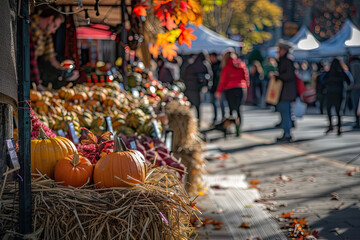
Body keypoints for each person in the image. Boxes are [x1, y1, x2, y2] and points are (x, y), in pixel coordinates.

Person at [30, 7, 78, 89]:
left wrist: (62, 68)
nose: (54, 31)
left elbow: (51, 58)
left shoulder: (46, 35)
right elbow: (31, 57)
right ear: (50, 19)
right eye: (54, 26)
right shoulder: (31, 25)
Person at [215, 48, 249, 137]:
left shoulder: (226, 66)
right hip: (241, 88)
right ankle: (238, 129)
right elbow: (246, 77)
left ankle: (228, 128)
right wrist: (246, 86)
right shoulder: (241, 64)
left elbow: (223, 80)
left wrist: (218, 91)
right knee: (238, 109)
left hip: (230, 89)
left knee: (231, 110)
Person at [274, 40, 297, 143]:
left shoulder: (287, 61)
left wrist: (278, 76)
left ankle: (287, 134)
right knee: (284, 113)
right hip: (284, 92)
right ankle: (286, 133)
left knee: (286, 114)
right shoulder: (285, 60)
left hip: (286, 92)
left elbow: (288, 76)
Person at [322, 58, 352, 136]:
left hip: (330, 93)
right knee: (339, 111)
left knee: (329, 110)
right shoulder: (343, 72)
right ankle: (339, 127)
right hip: (340, 93)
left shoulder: (329, 73)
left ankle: (331, 125)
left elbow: (322, 80)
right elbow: (350, 82)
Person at [183, 52, 212, 126]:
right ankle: (198, 122)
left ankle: (188, 122)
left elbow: (183, 75)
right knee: (198, 107)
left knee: (189, 107)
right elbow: (210, 76)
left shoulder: (190, 64)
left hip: (189, 89)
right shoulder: (205, 64)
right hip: (197, 89)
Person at [209, 53, 225, 125]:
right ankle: (215, 119)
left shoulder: (220, 66)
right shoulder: (210, 65)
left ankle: (223, 119)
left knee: (221, 104)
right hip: (213, 88)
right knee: (213, 104)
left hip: (219, 88)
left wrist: (219, 89)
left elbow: (220, 78)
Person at [349, 57, 360, 129]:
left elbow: (353, 77)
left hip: (356, 88)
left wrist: (351, 86)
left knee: (356, 106)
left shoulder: (354, 64)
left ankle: (357, 122)